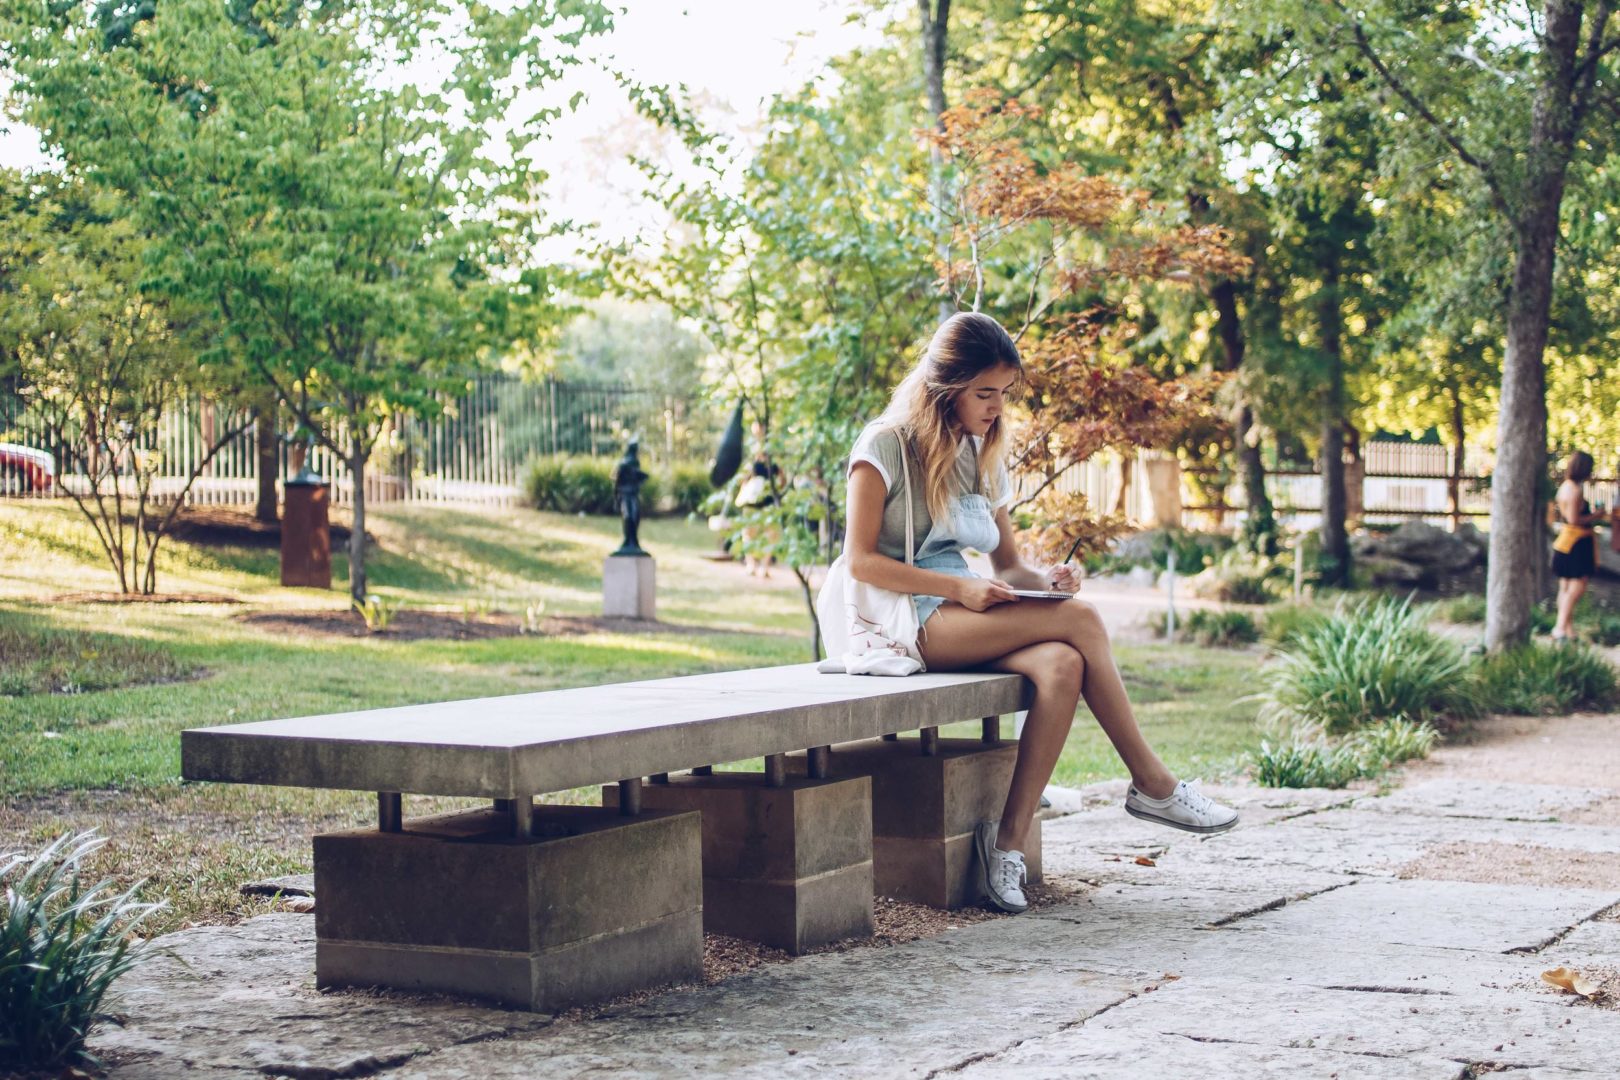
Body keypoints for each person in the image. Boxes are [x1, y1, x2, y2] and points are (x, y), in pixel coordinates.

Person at [843, 311, 1238, 915]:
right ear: (945, 385)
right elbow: (861, 561)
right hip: (899, 620)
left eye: (1003, 393)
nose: (996, 407)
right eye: (983, 393)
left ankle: (1007, 845)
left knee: (1060, 664)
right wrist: (959, 592)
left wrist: (1049, 581)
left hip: (962, 608)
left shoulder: (980, 452)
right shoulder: (884, 446)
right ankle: (1154, 785)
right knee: (1080, 622)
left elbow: (1008, 570)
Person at [1552, 450, 1601, 643]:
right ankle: (1560, 627)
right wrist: (1597, 515)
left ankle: (1568, 631)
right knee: (1576, 587)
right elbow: (1574, 519)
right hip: (1576, 543)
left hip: (1565, 541)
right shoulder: (1574, 490)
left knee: (1565, 587)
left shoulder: (1565, 486)